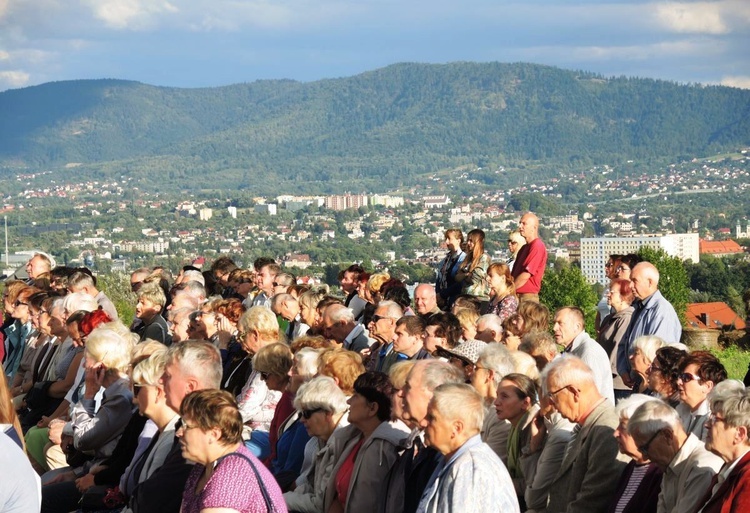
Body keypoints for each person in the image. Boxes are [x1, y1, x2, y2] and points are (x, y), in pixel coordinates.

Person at [542, 356, 628, 513]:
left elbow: (593, 500)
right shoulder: (589, 424)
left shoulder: (607, 430)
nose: (552, 405)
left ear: (574, 392)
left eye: (552, 396)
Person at [178, 389, 286, 512]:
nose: (179, 432)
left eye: (186, 426)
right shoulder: (203, 468)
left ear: (214, 434)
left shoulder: (232, 479)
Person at [417, 383, 520, 513]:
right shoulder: (458, 461)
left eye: (431, 417)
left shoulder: (469, 470)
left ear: (456, 428)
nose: (423, 422)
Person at [383, 360, 465, 513]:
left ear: (433, 393)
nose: (401, 393)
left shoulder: (450, 453)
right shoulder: (416, 442)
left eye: (408, 386)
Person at [324, 371, 408, 513]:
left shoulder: (387, 447)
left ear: (372, 408)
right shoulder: (354, 437)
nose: (348, 401)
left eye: (356, 396)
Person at [628, 399, 722, 513]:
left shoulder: (702, 468)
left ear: (667, 436)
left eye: (645, 448)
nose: (645, 456)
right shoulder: (671, 464)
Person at [283, 376, 350, 513]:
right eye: (301, 414)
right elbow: (311, 484)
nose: (301, 420)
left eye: (306, 414)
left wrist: (278, 498)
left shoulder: (342, 443)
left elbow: (319, 504)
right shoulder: (323, 436)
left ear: (328, 412)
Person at [617, 261, 682, 390]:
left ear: (650, 282)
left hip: (652, 386)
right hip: (640, 383)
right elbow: (625, 342)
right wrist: (623, 369)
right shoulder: (639, 307)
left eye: (635, 281)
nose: (630, 285)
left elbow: (657, 354)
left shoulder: (662, 312)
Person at [696, 380, 750, 513]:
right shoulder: (728, 469)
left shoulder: (747, 480)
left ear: (739, 433)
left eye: (715, 419)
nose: (707, 424)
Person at [608, 394, 664, 513]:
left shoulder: (659, 474)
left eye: (622, 427)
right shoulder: (631, 467)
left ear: (643, 431)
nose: (616, 433)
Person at [494, 373, 540, 504]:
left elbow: (531, 483)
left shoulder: (534, 430)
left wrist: (497, 481)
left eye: (504, 397)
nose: (496, 402)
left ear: (525, 403)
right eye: (497, 395)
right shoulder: (515, 427)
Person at [553, 307, 615, 404]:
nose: (554, 328)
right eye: (554, 323)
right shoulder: (573, 350)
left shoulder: (589, 352)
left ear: (577, 327)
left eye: (560, 323)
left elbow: (590, 397)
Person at [469, 344, 515, 462]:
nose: (471, 374)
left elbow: (485, 463)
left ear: (489, 375)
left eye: (476, 368)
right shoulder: (480, 407)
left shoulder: (501, 418)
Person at [676, 351, 727, 442]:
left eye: (686, 377)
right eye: (680, 376)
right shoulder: (682, 409)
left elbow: (704, 454)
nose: (679, 382)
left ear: (707, 386)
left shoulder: (713, 419)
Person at [598, 277, 635, 399]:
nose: (608, 294)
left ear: (623, 296)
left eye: (612, 292)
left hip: (618, 384)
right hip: (607, 380)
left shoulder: (626, 318)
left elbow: (618, 348)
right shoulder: (611, 318)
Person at [511, 213, 547, 303]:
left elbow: (526, 275)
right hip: (517, 295)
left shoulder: (537, 246)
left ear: (534, 227)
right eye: (520, 223)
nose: (520, 226)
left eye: (524, 223)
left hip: (527, 297)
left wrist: (509, 291)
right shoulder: (524, 248)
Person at [455, 229, 491, 300]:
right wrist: (467, 274)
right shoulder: (467, 258)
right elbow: (457, 277)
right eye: (468, 240)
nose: (468, 243)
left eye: (471, 241)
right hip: (466, 297)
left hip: (479, 298)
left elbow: (475, 278)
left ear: (479, 242)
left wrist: (464, 275)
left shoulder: (484, 258)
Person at [436, 229, 466, 310]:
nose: (446, 241)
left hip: (455, 301)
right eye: (446, 238)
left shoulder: (463, 259)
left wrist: (442, 294)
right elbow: (439, 278)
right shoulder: (445, 261)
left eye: (449, 239)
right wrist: (438, 295)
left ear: (458, 241)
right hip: (443, 302)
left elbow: (460, 283)